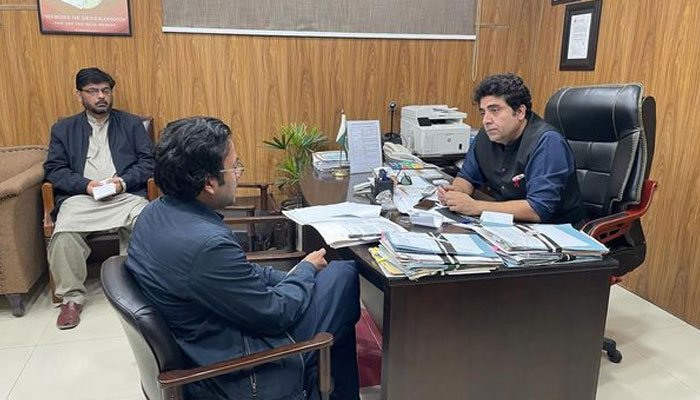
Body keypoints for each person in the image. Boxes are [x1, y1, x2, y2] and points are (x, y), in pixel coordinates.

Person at [125, 117, 360, 400]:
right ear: (209, 183)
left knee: (332, 287)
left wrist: (291, 275)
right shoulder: (205, 245)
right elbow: (275, 314)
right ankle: (327, 387)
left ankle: (326, 385)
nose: (238, 173)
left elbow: (243, 274)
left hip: (211, 332)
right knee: (343, 275)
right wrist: (306, 270)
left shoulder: (155, 213)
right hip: (236, 368)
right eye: (234, 165)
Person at [44, 67, 154, 329]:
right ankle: (72, 298)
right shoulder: (64, 129)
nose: (101, 96)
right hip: (82, 198)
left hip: (124, 194)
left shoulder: (131, 124)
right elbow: (54, 170)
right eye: (93, 91)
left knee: (145, 218)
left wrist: (121, 182)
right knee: (64, 233)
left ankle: (136, 284)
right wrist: (86, 185)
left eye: (105, 90)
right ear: (79, 95)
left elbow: (149, 162)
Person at [438, 73, 582, 224]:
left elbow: (538, 209)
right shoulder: (486, 136)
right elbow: (467, 177)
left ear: (520, 112)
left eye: (494, 110)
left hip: (554, 230)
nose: (486, 120)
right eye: (483, 112)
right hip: (509, 224)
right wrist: (456, 193)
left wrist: (475, 206)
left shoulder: (547, 142)